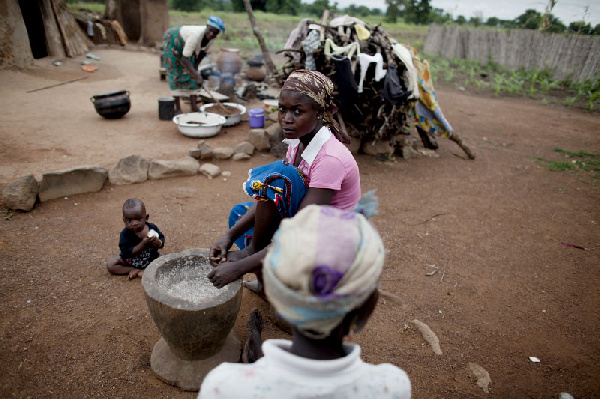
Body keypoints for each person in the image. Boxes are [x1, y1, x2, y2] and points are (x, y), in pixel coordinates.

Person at [199, 204, 412, 399]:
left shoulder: (223, 386)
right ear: (364, 311)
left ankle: (257, 353)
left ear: (277, 297)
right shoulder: (391, 386)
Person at [208, 70, 361, 294]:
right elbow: (271, 194)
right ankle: (264, 284)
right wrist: (228, 236)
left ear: (318, 113)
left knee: (280, 175)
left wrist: (239, 267)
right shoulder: (297, 142)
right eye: (283, 109)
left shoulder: (330, 159)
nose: (286, 119)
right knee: (239, 214)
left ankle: (293, 288)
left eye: (297, 111)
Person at [162, 16, 225, 115]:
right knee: (175, 71)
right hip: (173, 39)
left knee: (192, 73)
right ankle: (177, 108)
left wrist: (195, 69)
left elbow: (203, 53)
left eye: (216, 32)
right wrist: (197, 75)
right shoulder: (195, 35)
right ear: (207, 27)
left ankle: (194, 106)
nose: (212, 34)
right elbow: (184, 59)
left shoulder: (212, 37)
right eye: (210, 30)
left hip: (186, 44)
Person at [106, 198, 165, 280]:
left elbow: (161, 239)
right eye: (129, 220)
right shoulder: (125, 234)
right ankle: (134, 270)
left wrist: (159, 243)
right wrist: (143, 244)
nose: (134, 223)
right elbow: (126, 251)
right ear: (124, 221)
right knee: (111, 265)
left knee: (165, 259)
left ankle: (146, 269)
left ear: (146, 218)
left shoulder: (152, 228)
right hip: (131, 261)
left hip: (150, 258)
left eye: (138, 219)